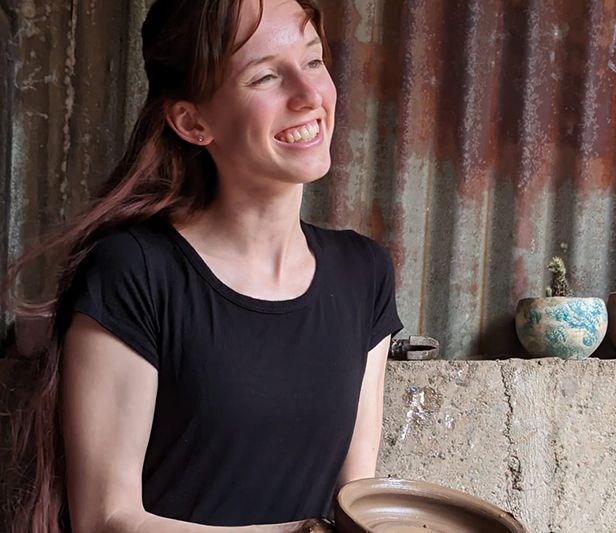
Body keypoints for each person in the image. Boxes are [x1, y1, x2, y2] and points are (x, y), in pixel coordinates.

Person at [4, 0, 403, 531]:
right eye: (266, 76)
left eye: (313, 60)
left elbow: (356, 502)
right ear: (192, 122)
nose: (310, 95)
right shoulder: (133, 272)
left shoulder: (363, 274)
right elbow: (105, 518)